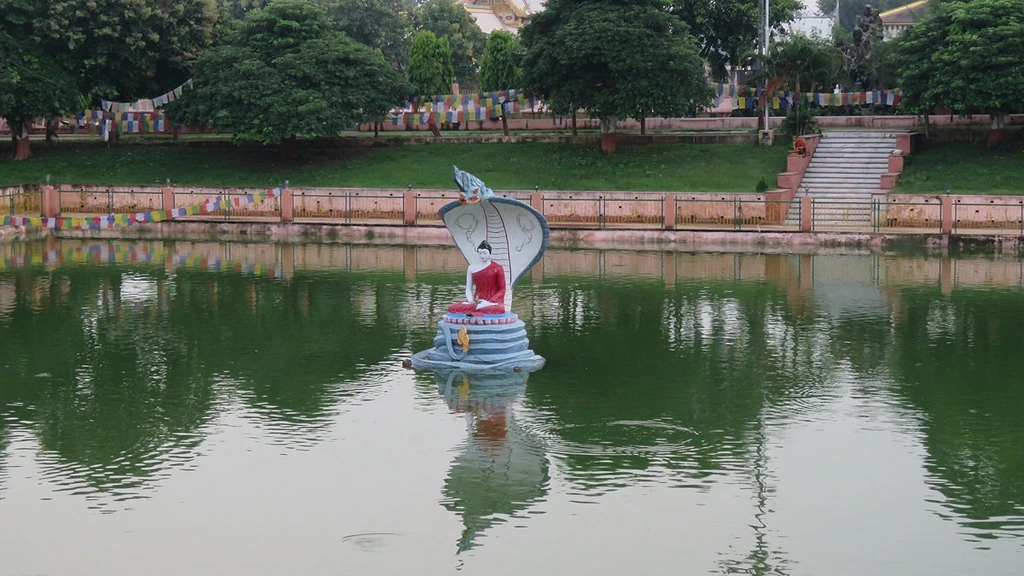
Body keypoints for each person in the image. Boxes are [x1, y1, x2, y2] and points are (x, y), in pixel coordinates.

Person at [448, 241, 506, 315]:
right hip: (477, 301)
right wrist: (470, 300)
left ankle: (477, 310)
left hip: (491, 303)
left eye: (485, 253)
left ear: (490, 253)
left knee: (499, 309)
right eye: (480, 253)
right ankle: (478, 308)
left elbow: (502, 290)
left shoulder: (498, 268)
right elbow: (468, 288)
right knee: (452, 307)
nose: (482, 255)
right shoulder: (472, 268)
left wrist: (491, 301)